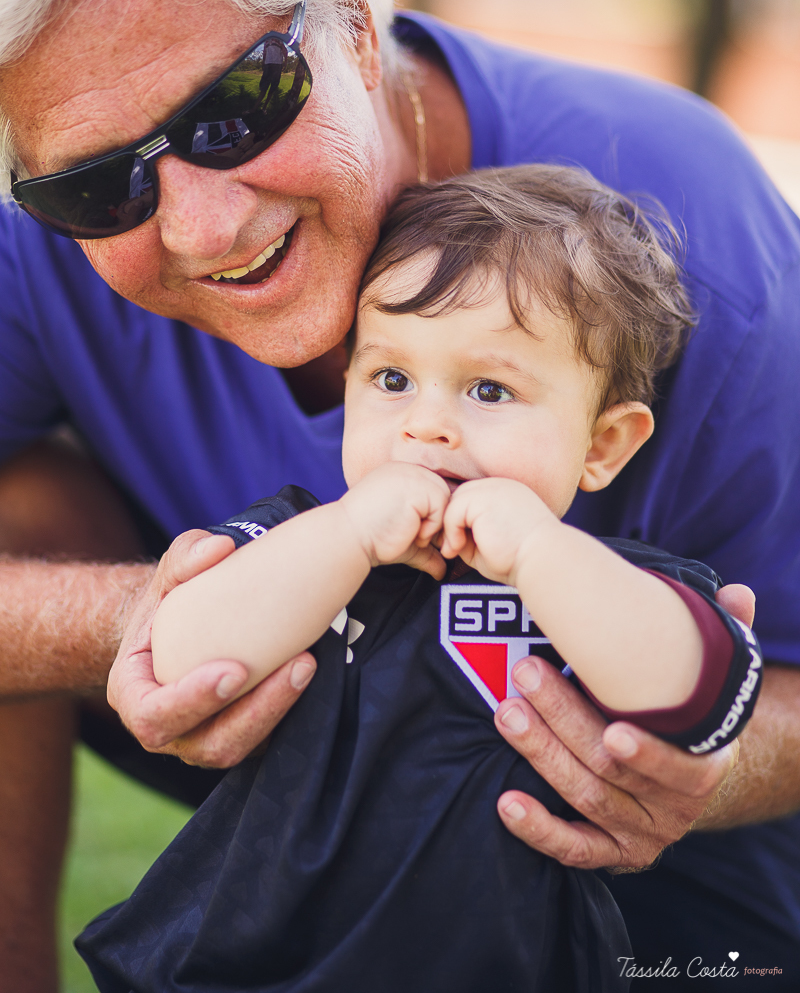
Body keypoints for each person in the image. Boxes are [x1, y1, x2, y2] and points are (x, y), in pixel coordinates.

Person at [0, 0, 797, 990]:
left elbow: (737, 683)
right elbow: (171, 627)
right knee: (23, 505)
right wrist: (163, 615)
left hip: (629, 886)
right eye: (94, 187)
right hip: (308, 833)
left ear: (358, 31)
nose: (204, 227)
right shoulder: (37, 250)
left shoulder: (684, 223)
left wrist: (682, 759)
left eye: (235, 109)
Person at [76, 168, 762, 992]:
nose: (426, 425)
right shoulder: (299, 543)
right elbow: (178, 659)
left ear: (602, 445)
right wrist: (348, 534)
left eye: (490, 390)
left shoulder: (610, 589)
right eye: (391, 380)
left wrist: (536, 552)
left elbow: (697, 698)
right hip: (245, 963)